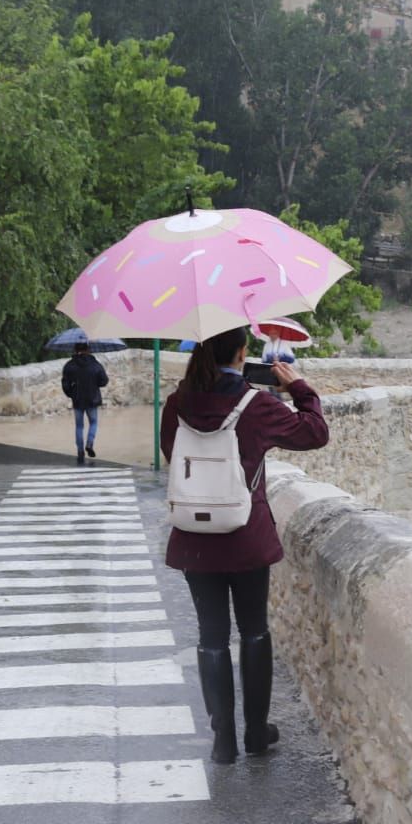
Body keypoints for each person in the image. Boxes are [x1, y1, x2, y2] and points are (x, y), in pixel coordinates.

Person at [161, 327, 330, 764]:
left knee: (211, 637)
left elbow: (171, 454)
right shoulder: (255, 405)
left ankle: (222, 740)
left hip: (195, 538)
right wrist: (299, 387)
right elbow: (314, 433)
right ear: (241, 353)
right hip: (245, 535)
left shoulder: (178, 402)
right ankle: (256, 732)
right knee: (254, 629)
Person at [61, 342, 109, 462]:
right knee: (93, 423)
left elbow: (65, 384)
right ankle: (90, 443)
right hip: (92, 400)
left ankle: (80, 451)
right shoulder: (95, 364)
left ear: (75, 349)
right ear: (88, 349)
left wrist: (71, 394)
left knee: (79, 426)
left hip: (77, 400)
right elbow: (104, 381)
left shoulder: (69, 365)